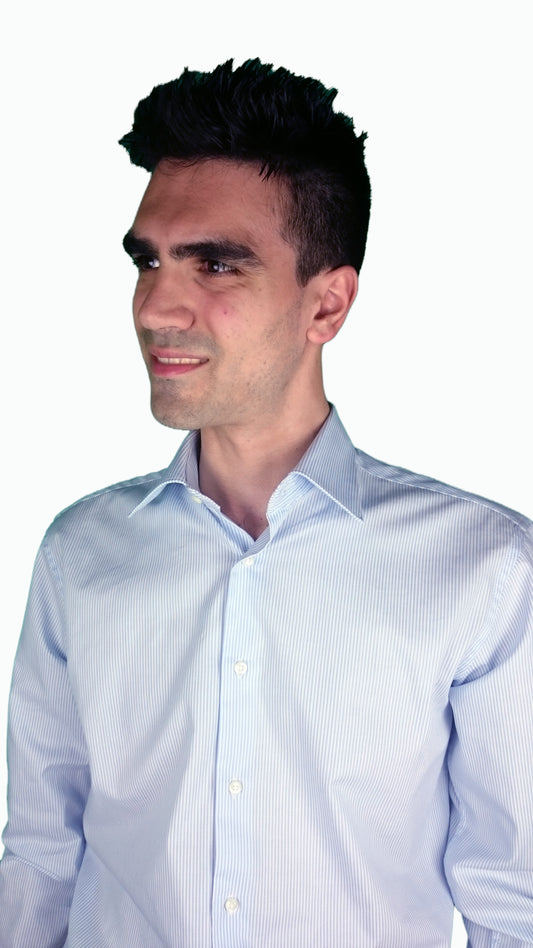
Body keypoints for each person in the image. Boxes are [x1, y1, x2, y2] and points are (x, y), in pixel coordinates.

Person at [0, 58, 531, 948]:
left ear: (326, 305)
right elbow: (41, 860)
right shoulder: (79, 554)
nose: (156, 308)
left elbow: (513, 904)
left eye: (215, 264)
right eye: (148, 260)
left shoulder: (483, 568)